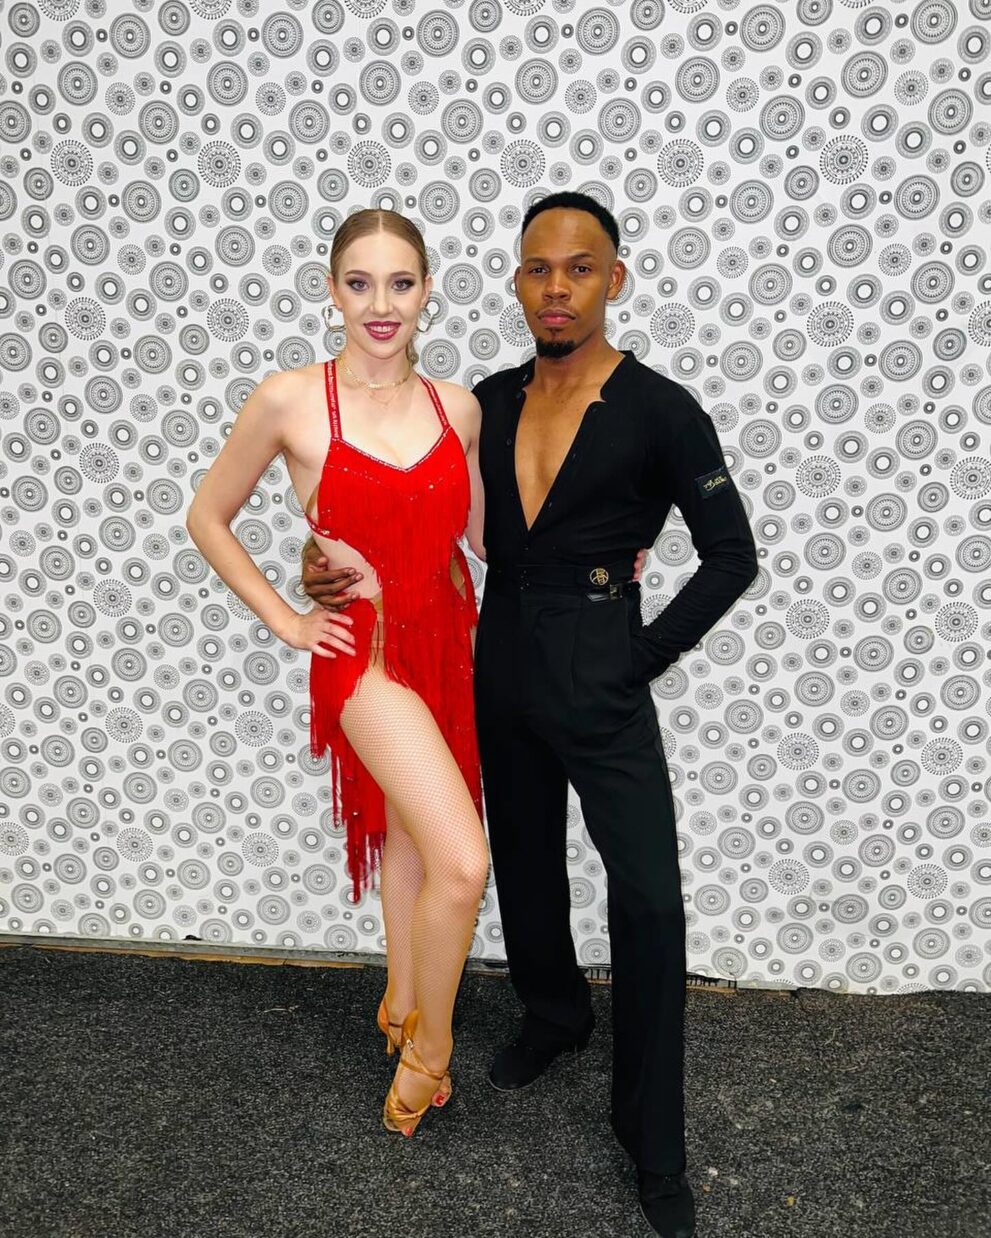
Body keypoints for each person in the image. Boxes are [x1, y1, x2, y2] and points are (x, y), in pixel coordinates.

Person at [301, 191, 759, 1238]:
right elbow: (423, 524)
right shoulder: (487, 402)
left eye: (579, 268)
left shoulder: (662, 408)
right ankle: (553, 1012)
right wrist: (319, 565)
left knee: (650, 901)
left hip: (603, 666)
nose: (557, 287)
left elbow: (731, 555)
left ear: (613, 279)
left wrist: (639, 655)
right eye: (537, 268)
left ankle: (652, 1141)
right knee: (519, 854)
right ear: (516, 282)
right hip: (498, 654)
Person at [186, 207, 492, 1139]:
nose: (380, 304)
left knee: (414, 842)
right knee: (463, 863)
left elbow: (485, 541)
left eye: (399, 283)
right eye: (359, 283)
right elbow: (207, 517)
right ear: (331, 292)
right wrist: (287, 619)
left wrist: (608, 540)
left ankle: (401, 999)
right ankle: (429, 1050)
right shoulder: (289, 400)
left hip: (448, 646)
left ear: (427, 290)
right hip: (363, 659)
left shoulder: (457, 408)